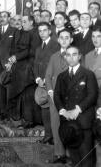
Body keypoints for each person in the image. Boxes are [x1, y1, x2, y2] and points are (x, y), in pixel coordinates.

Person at [54, 46, 98, 167]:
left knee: (86, 159)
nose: (71, 57)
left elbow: (92, 95)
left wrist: (77, 110)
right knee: (74, 159)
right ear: (65, 57)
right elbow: (57, 96)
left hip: (83, 121)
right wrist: (63, 111)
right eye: (68, 55)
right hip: (68, 123)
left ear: (79, 57)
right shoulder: (61, 76)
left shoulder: (88, 74)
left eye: (74, 54)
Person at [45, 29, 72, 164]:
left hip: (70, 98)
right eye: (62, 38)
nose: (64, 40)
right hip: (55, 97)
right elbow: (48, 76)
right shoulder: (54, 56)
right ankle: (59, 154)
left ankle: (70, 155)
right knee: (56, 125)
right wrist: (50, 91)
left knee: (70, 126)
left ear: (71, 40)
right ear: (58, 40)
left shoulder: (76, 55)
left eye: (67, 38)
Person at [34, 22, 60, 144]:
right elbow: (35, 66)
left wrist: (46, 79)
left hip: (53, 82)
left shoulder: (56, 45)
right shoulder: (39, 48)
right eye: (40, 31)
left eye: (44, 30)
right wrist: (38, 79)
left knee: (54, 111)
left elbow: (57, 64)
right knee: (44, 110)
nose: (42, 33)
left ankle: (56, 137)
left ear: (50, 31)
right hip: (42, 83)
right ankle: (48, 135)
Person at [7, 16, 33, 127]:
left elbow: (30, 50)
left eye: (24, 22)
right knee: (15, 92)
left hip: (27, 67)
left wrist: (16, 57)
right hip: (17, 66)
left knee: (24, 94)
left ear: (31, 22)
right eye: (21, 22)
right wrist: (11, 61)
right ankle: (16, 117)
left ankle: (25, 119)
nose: (22, 24)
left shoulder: (35, 33)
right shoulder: (19, 32)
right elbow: (13, 48)